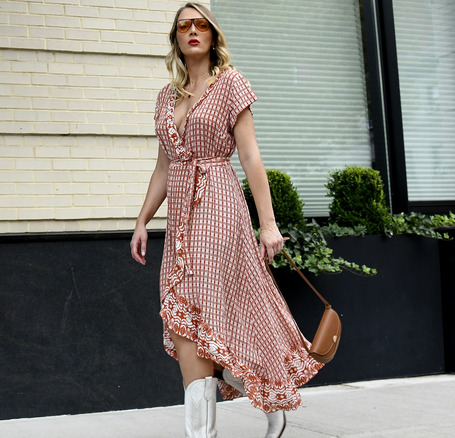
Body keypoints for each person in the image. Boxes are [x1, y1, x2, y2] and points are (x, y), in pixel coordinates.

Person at [130, 3, 323, 437]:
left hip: (218, 205)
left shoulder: (230, 84)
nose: (193, 31)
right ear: (176, 39)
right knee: (187, 327)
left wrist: (268, 224)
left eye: (202, 24)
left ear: (213, 36)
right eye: (184, 26)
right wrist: (142, 220)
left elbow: (251, 157)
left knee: (211, 312)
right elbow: (164, 167)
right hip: (179, 218)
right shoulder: (167, 96)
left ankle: (268, 399)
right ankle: (224, 423)